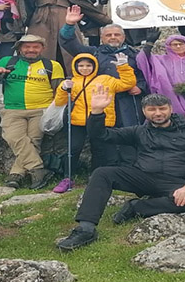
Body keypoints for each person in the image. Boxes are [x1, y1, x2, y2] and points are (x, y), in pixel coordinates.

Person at [56, 86, 185, 251]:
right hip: (143, 177)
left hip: (176, 181)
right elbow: (101, 136)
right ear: (144, 111)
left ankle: (136, 207)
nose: (158, 113)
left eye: (162, 108)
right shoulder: (138, 131)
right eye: (152, 109)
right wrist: (96, 112)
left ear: (171, 109)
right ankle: (86, 229)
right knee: (102, 173)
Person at [60, 5, 148, 148]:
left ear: (124, 37)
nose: (113, 37)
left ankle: (130, 165)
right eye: (108, 35)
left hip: (128, 101)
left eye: (117, 34)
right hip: (101, 101)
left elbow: (147, 75)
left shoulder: (135, 54)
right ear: (101, 38)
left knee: (129, 133)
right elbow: (69, 43)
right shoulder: (93, 53)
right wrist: (69, 25)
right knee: (103, 136)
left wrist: (141, 87)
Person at [51, 52, 137, 192]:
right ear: (75, 67)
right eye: (81, 65)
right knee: (73, 149)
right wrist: (62, 88)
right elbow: (60, 101)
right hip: (77, 121)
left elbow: (128, 83)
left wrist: (123, 66)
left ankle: (97, 177)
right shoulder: (71, 82)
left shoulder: (106, 79)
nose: (85, 68)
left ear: (95, 66)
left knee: (100, 149)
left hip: (100, 120)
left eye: (88, 65)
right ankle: (67, 178)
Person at [0, 34, 65, 189]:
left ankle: (16, 175)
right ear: (19, 48)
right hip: (12, 109)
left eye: (35, 47)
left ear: (42, 48)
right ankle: (37, 169)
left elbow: (59, 90)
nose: (31, 50)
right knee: (14, 138)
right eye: (27, 47)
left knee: (33, 140)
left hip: (41, 109)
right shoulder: (7, 62)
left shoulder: (52, 65)